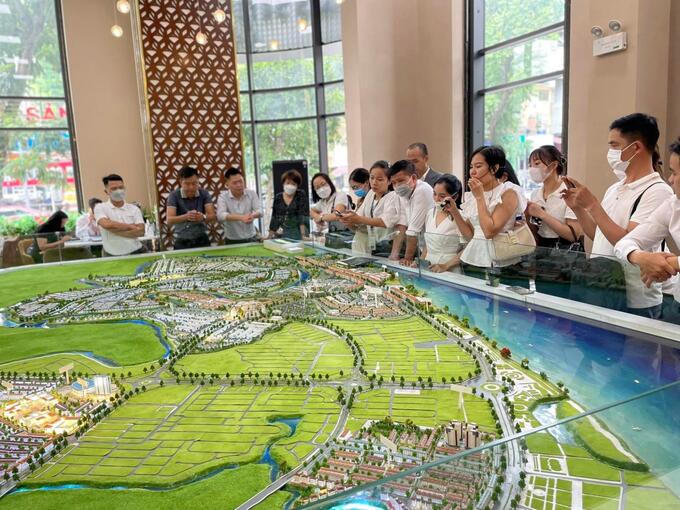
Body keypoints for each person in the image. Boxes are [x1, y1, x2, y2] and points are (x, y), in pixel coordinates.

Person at [562, 113, 673, 318]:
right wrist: (578, 208)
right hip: (601, 287)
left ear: (636, 147)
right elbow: (599, 235)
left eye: (615, 145)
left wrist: (592, 205)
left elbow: (629, 242)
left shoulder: (658, 191)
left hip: (634, 298)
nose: (610, 152)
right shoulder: (615, 188)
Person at [615, 137, 680, 324]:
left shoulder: (658, 191)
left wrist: (673, 263)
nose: (670, 179)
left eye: (675, 173)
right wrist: (641, 257)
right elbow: (624, 243)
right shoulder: (673, 205)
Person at [448, 145, 527, 272]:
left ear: (494, 168)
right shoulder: (473, 195)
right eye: (471, 167)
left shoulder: (508, 193)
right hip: (473, 259)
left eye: (478, 166)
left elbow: (489, 232)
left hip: (500, 263)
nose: (472, 172)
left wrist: (480, 198)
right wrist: (454, 211)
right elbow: (470, 235)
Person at [340, 160, 406, 258]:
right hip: (374, 246)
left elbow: (385, 222)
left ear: (389, 181)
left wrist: (358, 219)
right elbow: (359, 217)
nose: (374, 182)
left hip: (389, 247)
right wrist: (349, 219)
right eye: (372, 178)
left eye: (380, 179)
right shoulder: (371, 194)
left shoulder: (394, 196)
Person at [525, 146, 582, 248]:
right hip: (542, 249)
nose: (532, 169)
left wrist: (542, 214)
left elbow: (573, 235)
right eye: (530, 165)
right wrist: (527, 216)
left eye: (537, 164)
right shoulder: (535, 194)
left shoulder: (569, 192)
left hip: (564, 251)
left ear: (553, 165)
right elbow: (536, 231)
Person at [389, 160, 434, 266]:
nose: (397, 186)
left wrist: (407, 258)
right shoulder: (404, 193)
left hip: (434, 248)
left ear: (413, 178)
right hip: (423, 248)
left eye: (401, 181)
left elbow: (413, 231)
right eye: (394, 183)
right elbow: (403, 224)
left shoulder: (422, 190)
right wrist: (394, 254)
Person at [94, 173, 146, 257]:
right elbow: (107, 224)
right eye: (114, 188)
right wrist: (131, 227)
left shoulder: (134, 209)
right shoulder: (100, 207)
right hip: (111, 254)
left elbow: (141, 232)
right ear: (106, 191)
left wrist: (113, 230)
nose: (118, 191)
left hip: (136, 251)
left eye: (121, 187)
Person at [166, 166, 216, 250]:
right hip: (182, 240)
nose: (191, 187)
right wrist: (186, 216)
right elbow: (169, 220)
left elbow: (212, 216)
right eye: (187, 184)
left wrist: (203, 217)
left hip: (202, 239)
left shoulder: (204, 193)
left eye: (194, 183)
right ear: (181, 182)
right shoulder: (174, 195)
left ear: (198, 181)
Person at [422, 174, 464, 273]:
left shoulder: (462, 217)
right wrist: (420, 262)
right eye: (434, 194)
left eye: (442, 196)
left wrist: (446, 266)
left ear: (455, 197)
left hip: (450, 269)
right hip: (428, 267)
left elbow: (468, 249)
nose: (436, 199)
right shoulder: (430, 213)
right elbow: (428, 245)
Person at [217, 167, 261, 244]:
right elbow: (220, 215)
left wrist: (252, 215)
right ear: (227, 184)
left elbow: (260, 211)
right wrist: (241, 217)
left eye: (241, 181)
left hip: (252, 237)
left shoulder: (251, 193)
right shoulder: (223, 197)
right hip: (232, 239)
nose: (239, 185)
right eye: (235, 183)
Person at [268, 169, 309, 240]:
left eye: (293, 184)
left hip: (299, 233)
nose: (290, 185)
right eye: (288, 183)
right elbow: (274, 218)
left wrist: (303, 235)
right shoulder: (278, 197)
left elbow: (302, 216)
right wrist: (269, 236)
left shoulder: (300, 194)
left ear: (297, 186)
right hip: (284, 234)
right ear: (283, 183)